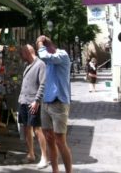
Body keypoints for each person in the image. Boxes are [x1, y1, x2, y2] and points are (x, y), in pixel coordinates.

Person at [36, 35, 73, 173]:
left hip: (59, 104)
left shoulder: (62, 55)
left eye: (45, 46)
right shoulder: (49, 61)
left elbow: (44, 55)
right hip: (46, 102)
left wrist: (40, 43)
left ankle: (69, 171)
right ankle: (55, 170)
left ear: (49, 45)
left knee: (60, 141)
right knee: (50, 139)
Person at [18, 44, 48, 169]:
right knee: (26, 128)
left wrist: (37, 101)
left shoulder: (40, 64)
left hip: (33, 101)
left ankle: (44, 157)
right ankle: (31, 154)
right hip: (24, 101)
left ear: (29, 52)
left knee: (37, 129)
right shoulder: (27, 65)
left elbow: (43, 84)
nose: (21, 56)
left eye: (22, 53)